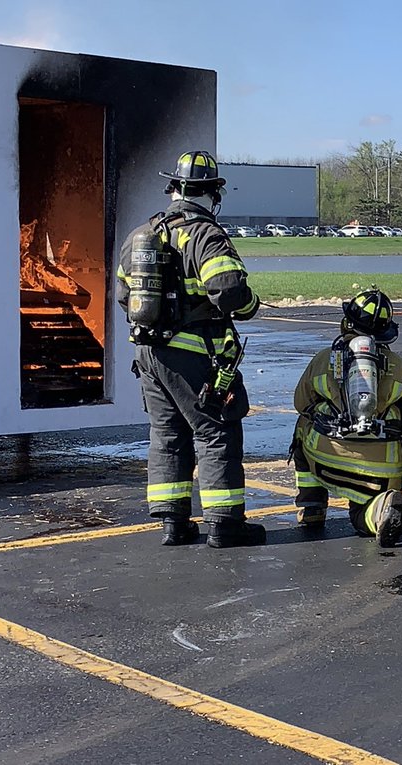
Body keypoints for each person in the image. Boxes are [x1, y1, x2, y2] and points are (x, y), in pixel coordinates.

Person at [116, 150, 264, 548]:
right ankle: (225, 525)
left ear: (174, 187)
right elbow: (230, 291)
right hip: (195, 354)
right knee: (216, 430)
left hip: (148, 355)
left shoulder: (141, 234)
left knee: (167, 433)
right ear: (213, 193)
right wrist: (251, 306)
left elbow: (121, 294)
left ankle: (174, 524)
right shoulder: (205, 234)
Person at [290, 287, 402, 547]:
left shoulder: (324, 359)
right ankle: (382, 509)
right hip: (384, 467)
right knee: (363, 512)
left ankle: (312, 505)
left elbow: (300, 403)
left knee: (303, 425)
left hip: (329, 458)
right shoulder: (401, 368)